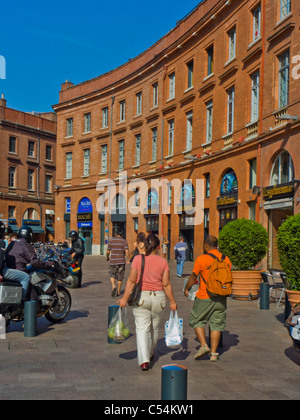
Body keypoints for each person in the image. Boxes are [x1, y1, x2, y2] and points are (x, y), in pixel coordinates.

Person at [118, 234, 177, 371]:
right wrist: (172, 301)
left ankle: (144, 360)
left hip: (142, 298)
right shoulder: (163, 261)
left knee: (142, 329)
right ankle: (150, 353)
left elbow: (132, 281)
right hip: (159, 299)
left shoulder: (138, 259)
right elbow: (166, 284)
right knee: (154, 329)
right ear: (158, 247)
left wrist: (125, 299)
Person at [184, 235, 232, 362]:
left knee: (197, 320)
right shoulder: (226, 259)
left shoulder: (202, 259)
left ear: (206, 246)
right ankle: (214, 353)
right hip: (221, 297)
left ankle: (204, 345)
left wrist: (187, 289)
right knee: (216, 324)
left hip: (205, 296)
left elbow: (193, 277)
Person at [4, 225, 55, 300]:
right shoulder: (27, 245)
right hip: (19, 271)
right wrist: (48, 264)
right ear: (29, 236)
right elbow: (34, 262)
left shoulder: (11, 243)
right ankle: (24, 302)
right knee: (32, 293)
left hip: (10, 270)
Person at [106, 230, 130, 297]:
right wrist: (128, 259)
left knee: (112, 274)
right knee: (120, 277)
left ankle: (113, 286)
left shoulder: (111, 241)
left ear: (115, 234)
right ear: (122, 234)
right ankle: (118, 291)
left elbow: (108, 251)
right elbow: (127, 251)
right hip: (121, 261)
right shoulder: (124, 241)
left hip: (113, 261)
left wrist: (107, 257)